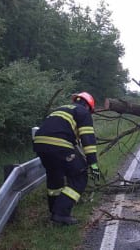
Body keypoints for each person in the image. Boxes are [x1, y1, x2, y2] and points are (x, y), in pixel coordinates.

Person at [33, 92, 107, 225]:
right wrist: (93, 165)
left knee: (55, 177)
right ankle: (61, 214)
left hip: (39, 144)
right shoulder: (83, 113)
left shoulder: (60, 109)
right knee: (79, 177)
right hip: (59, 144)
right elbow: (88, 140)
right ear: (88, 106)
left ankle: (54, 212)